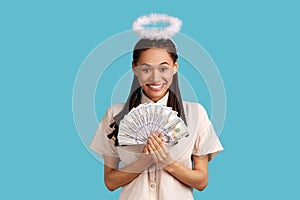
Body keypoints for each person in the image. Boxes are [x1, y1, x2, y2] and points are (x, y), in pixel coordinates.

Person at [90, 14, 224, 200]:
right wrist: (143, 162)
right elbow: (110, 182)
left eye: (163, 68)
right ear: (134, 68)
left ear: (175, 67)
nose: (155, 78)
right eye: (146, 69)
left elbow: (201, 181)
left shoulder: (196, 114)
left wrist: (167, 162)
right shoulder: (115, 115)